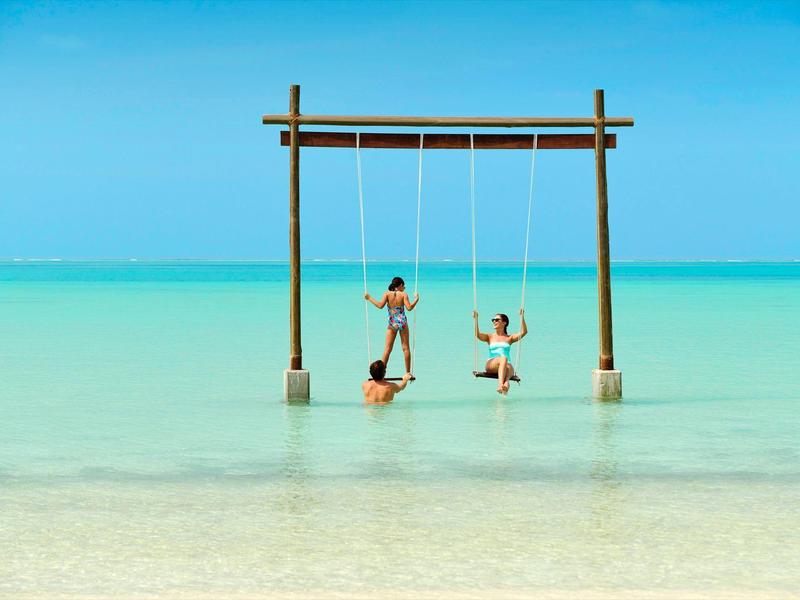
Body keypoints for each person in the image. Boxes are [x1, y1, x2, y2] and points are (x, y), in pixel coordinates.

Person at [364, 276, 419, 374]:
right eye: (404, 286)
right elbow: (409, 308)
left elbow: (380, 306)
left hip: (392, 322)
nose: (404, 288)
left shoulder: (387, 294)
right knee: (406, 348)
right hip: (402, 322)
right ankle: (408, 372)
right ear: (400, 285)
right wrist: (416, 299)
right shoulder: (403, 294)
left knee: (387, 349)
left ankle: (380, 373)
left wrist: (369, 298)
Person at [473, 309, 528, 395]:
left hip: (506, 366)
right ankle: (500, 384)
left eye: (497, 320)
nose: (494, 321)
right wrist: (476, 319)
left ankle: (506, 384)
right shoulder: (489, 337)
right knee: (503, 358)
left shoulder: (509, 338)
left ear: (504, 323)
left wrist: (522, 317)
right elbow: (477, 334)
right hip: (491, 364)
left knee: (509, 366)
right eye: (493, 320)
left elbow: (524, 332)